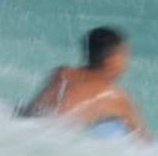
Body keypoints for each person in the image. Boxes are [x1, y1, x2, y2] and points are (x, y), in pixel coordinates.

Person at [18, 27, 147, 138]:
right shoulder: (117, 96)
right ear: (111, 59)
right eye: (124, 55)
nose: (127, 61)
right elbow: (144, 143)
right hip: (51, 139)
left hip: (22, 126)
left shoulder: (61, 73)